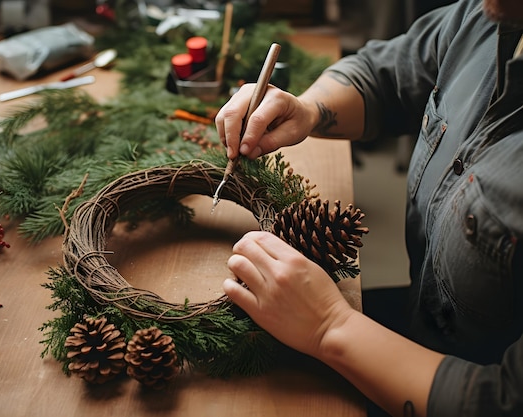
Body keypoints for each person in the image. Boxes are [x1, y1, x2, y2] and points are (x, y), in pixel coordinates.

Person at [214, 0, 523, 416]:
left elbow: (502, 401)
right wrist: (306, 110)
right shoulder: (491, 15)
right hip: (412, 325)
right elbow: (386, 75)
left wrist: (330, 327)